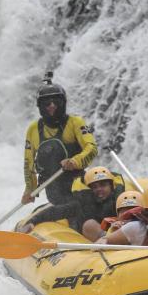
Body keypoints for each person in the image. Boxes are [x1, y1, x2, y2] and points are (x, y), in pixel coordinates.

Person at [22, 73, 98, 207]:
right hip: (52, 188)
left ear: (63, 102)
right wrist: (30, 188)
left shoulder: (76, 122)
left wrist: (75, 161)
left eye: (56, 101)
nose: (51, 106)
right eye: (46, 102)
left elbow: (92, 148)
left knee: (74, 207)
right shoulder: (33, 129)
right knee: (60, 207)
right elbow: (29, 163)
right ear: (40, 106)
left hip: (77, 183)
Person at [19, 166, 123, 241]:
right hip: (91, 234)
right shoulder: (81, 204)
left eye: (103, 185)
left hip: (115, 232)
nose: (99, 189)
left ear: (111, 186)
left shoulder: (120, 200)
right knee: (89, 224)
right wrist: (32, 222)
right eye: (94, 187)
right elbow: (53, 212)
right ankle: (109, 240)